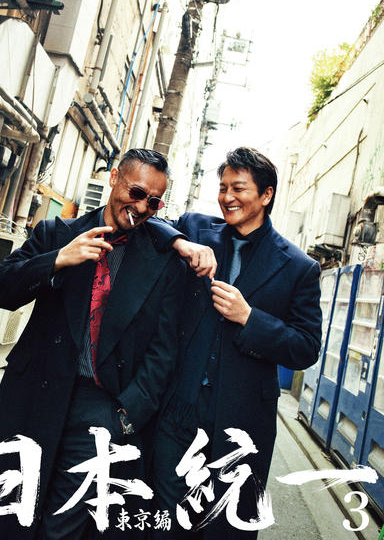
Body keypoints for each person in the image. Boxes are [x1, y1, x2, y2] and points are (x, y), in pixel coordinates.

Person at [0, 149, 186, 540]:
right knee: (5, 511)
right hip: (35, 396)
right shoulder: (56, 234)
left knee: (62, 525)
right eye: (135, 192)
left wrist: (125, 415)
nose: (141, 207)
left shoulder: (162, 261)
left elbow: (163, 351)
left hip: (101, 411)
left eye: (153, 202)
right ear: (113, 178)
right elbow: (1, 291)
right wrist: (57, 260)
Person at [149, 146, 322, 539]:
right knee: (166, 521)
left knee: (227, 526)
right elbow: (151, 224)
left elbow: (306, 347)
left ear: (266, 194)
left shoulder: (298, 267)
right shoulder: (196, 229)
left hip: (241, 426)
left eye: (238, 188)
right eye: (223, 187)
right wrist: (182, 244)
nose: (227, 197)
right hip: (179, 413)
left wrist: (250, 318)